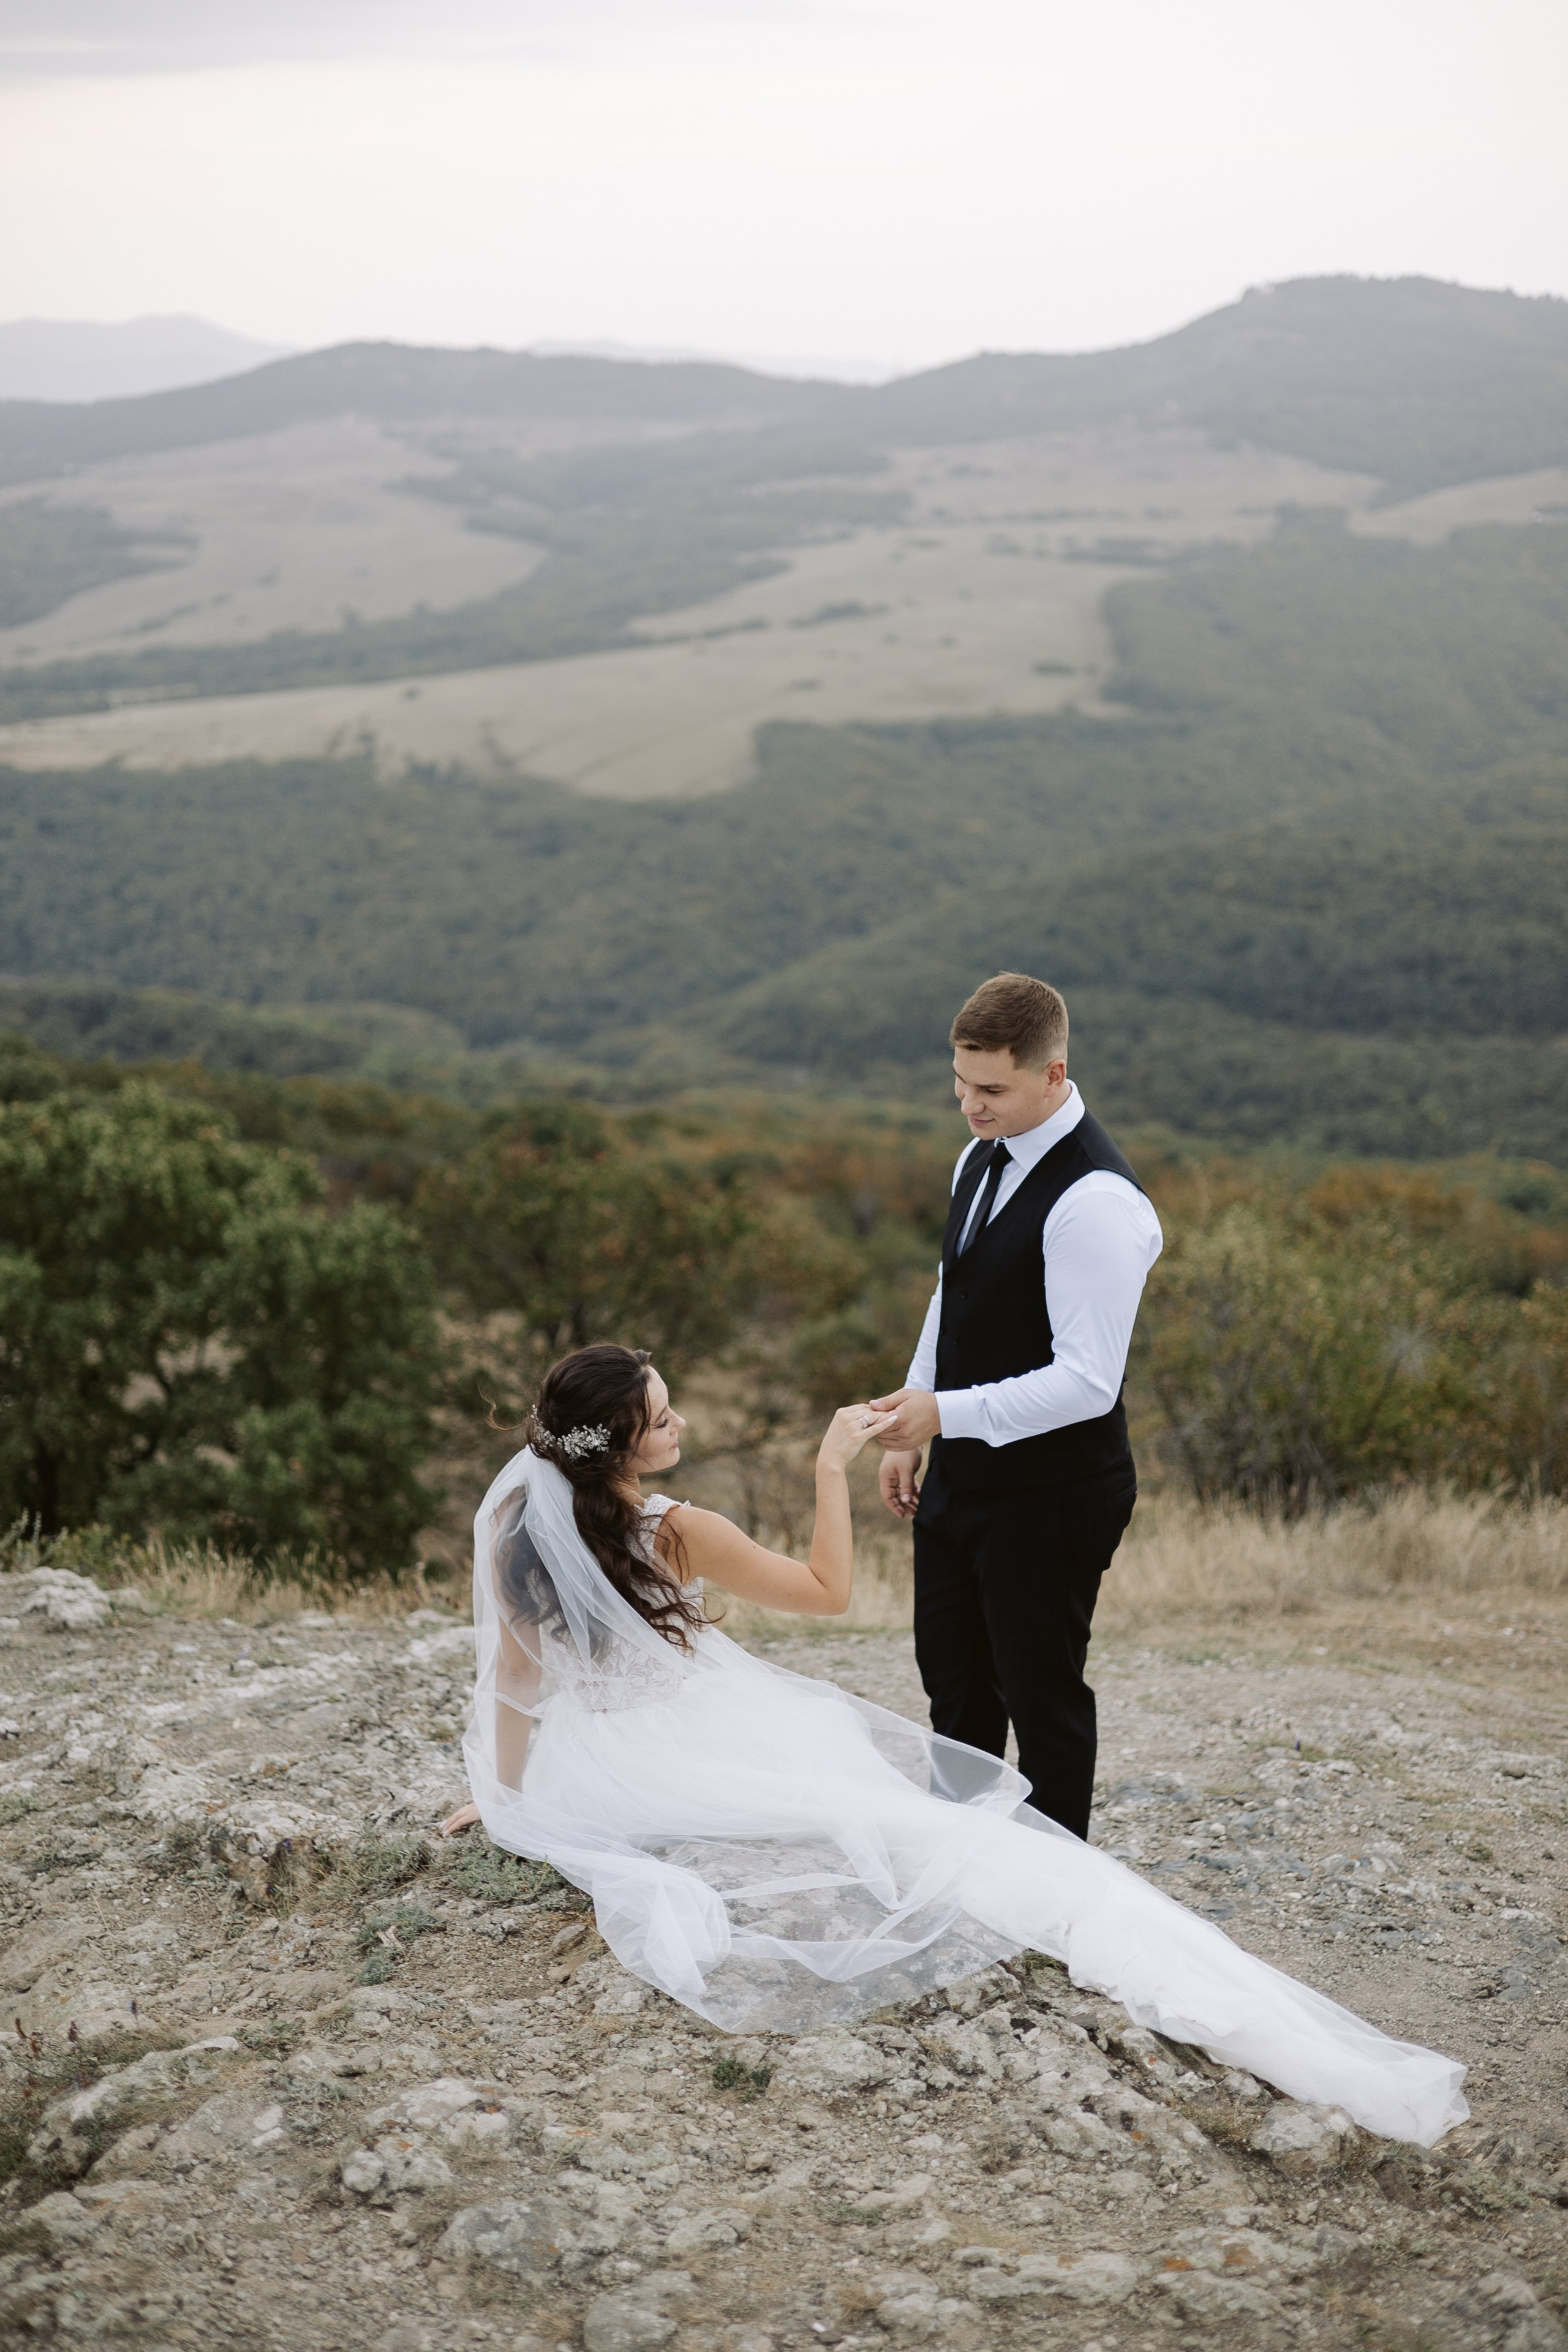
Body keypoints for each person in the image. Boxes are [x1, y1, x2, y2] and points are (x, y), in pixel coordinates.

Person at [441, 1342, 1466, 2147]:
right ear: (621, 1446)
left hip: (591, 1765)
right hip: (690, 1742)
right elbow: (828, 1595)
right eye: (662, 1419)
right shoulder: (678, 1527)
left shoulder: (515, 1528)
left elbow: (519, 1685)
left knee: (888, 1812)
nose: (681, 1426)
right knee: (921, 1829)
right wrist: (829, 1469)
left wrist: (504, 1796)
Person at [870, 972, 1161, 1841]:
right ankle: (962, 1871)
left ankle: (1056, 1901)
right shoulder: (978, 1156)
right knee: (954, 1684)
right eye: (960, 1084)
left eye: (991, 1089)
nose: (970, 1106)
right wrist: (909, 1427)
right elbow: (949, 1295)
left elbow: (1086, 1383)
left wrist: (944, 1416)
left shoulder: (1096, 1204)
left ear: (1054, 1074)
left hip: (1055, 1494)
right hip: (958, 1481)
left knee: (1043, 1700)